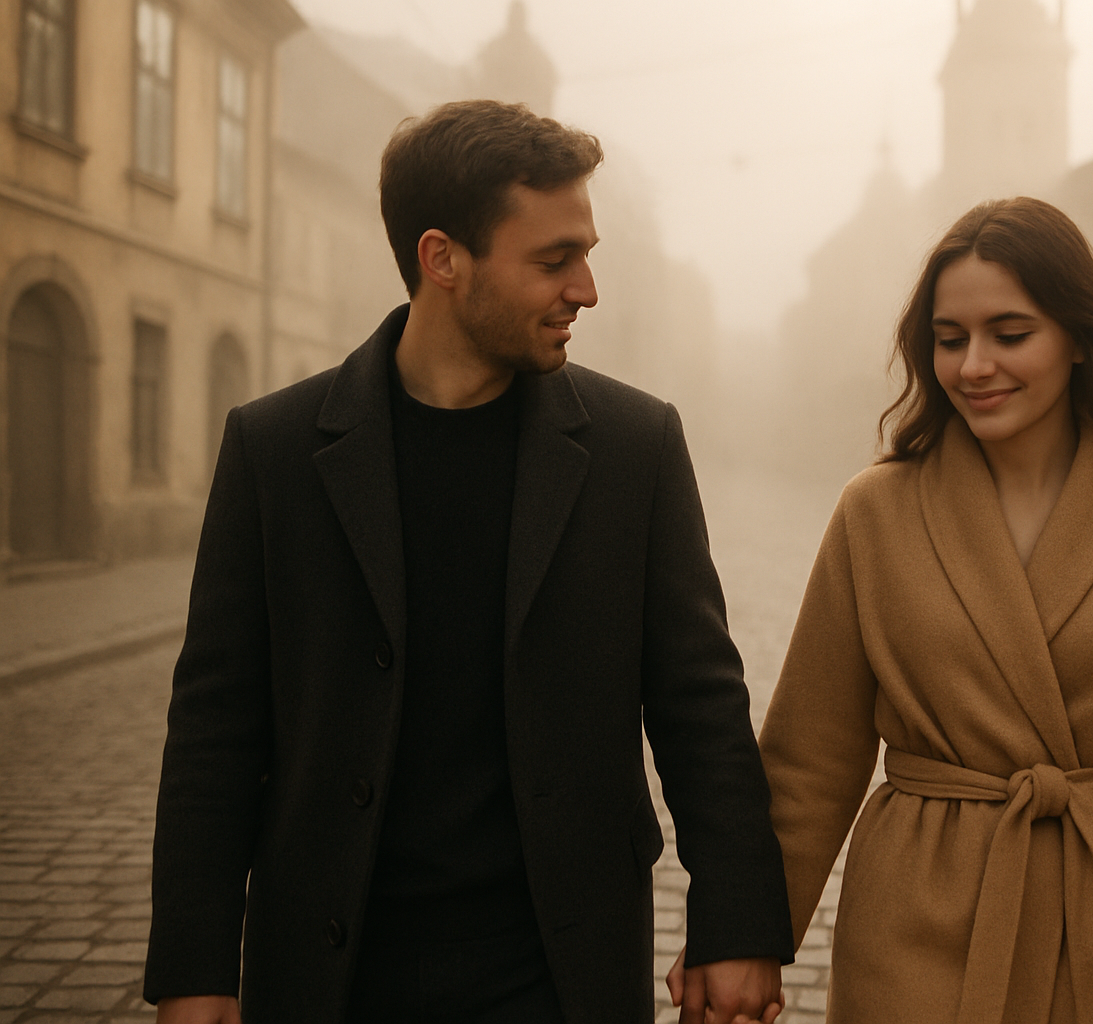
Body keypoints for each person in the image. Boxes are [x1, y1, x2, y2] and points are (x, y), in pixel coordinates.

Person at [143, 100, 793, 1024]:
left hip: (557, 978)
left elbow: (700, 705)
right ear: (442, 259)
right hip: (334, 974)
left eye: (588, 253)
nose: (587, 289)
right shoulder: (275, 449)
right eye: (553, 260)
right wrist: (194, 969)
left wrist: (738, 921)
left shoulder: (633, 447)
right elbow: (215, 728)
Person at [756, 197, 1093, 1023]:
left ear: (1079, 340)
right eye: (949, 340)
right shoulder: (875, 511)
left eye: (1010, 333)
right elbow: (810, 760)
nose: (974, 365)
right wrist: (748, 938)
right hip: (913, 920)